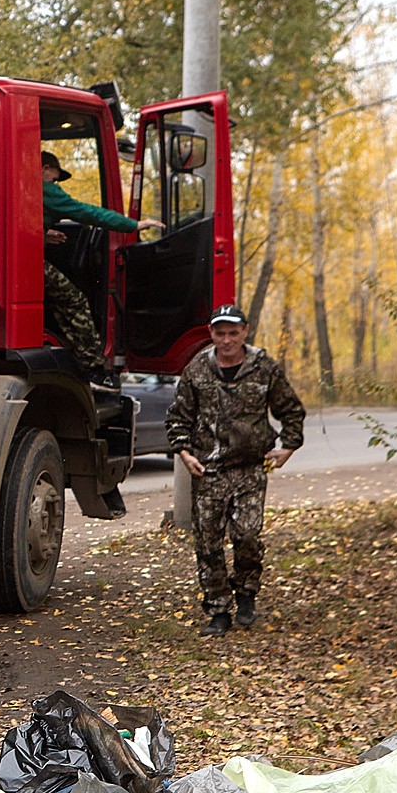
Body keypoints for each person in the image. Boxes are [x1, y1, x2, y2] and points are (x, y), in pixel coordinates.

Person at [165, 305, 305, 635]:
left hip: (250, 469)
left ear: (244, 331)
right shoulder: (198, 368)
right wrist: (185, 453)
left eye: (233, 332)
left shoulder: (264, 366)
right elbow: (178, 417)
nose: (227, 340)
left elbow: (291, 410)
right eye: (220, 333)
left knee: (246, 535)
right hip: (208, 471)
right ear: (211, 334)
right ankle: (217, 611)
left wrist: (288, 447)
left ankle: (245, 595)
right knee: (208, 542)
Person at [39, 150, 157, 368]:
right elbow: (87, 212)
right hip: (29, 263)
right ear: (45, 169)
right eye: (55, 177)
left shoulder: (19, 186)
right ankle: (93, 364)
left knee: (56, 297)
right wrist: (132, 224)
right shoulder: (46, 190)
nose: (55, 183)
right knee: (74, 300)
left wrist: (40, 235)